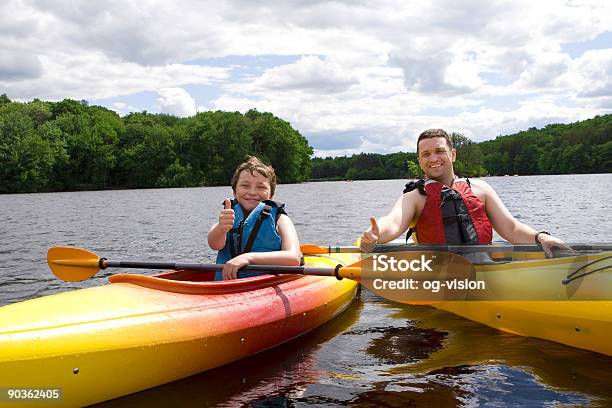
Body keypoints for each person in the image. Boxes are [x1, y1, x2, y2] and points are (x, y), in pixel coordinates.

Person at [359, 129, 567, 258]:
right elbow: (394, 222)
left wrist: (541, 238)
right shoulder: (415, 196)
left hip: (483, 267)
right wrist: (376, 234)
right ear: (420, 160)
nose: (433, 158)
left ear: (453, 154)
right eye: (426, 154)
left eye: (439, 151)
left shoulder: (481, 189)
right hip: (438, 274)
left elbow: (511, 228)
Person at [208, 156, 302, 280]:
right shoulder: (228, 216)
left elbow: (293, 258)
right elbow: (215, 244)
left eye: (261, 187)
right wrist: (221, 228)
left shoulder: (280, 219)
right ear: (234, 192)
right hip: (226, 286)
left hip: (265, 285)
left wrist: (248, 258)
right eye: (245, 186)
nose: (252, 192)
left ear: (271, 195)